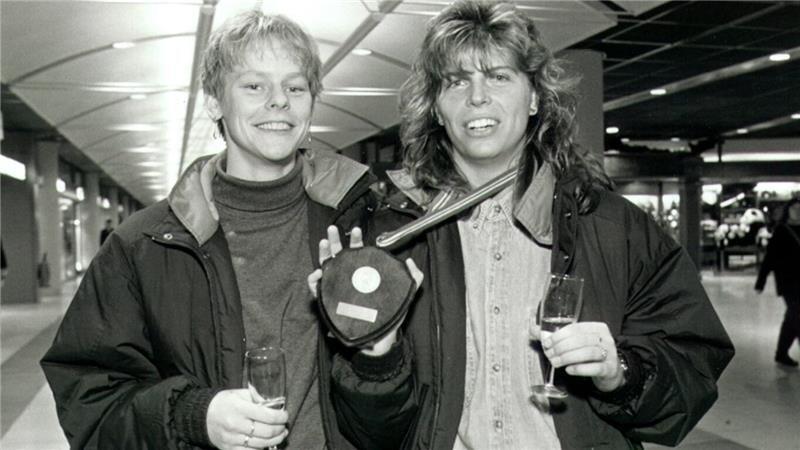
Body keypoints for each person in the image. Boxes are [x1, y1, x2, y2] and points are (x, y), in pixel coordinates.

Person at [311, 1, 735, 449]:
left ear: (534, 97)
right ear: (436, 107)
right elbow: (366, 433)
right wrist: (375, 356)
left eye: (499, 76)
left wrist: (620, 372)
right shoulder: (389, 239)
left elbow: (693, 368)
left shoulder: (613, 227)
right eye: (457, 81)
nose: (478, 97)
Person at [41, 11, 376, 450]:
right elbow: (88, 399)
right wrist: (194, 415)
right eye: (254, 85)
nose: (279, 101)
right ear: (215, 102)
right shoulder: (143, 247)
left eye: (295, 87)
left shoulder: (361, 223)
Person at [755, 197, 800, 367]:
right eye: (794, 209)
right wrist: (761, 281)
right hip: (788, 281)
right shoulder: (782, 230)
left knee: (792, 316)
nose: (798, 212)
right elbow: (770, 258)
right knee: (797, 313)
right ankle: (782, 353)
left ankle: (781, 353)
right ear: (788, 211)